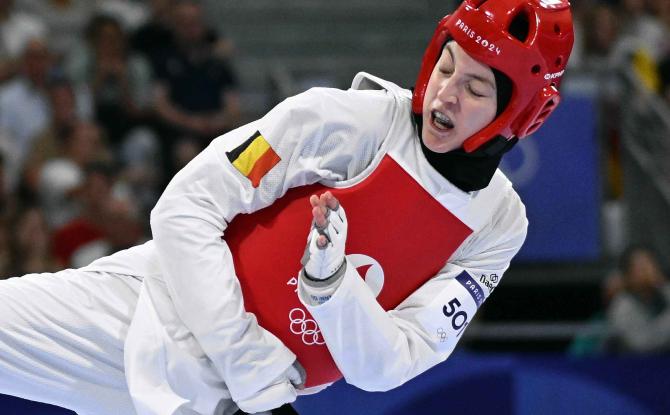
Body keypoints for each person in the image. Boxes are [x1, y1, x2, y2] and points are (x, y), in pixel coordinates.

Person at [0, 1, 575, 414]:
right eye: (447, 66)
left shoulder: (497, 226)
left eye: (477, 89)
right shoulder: (345, 121)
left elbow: (389, 365)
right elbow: (185, 208)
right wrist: (250, 368)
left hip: (246, 400)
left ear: (523, 113)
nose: (447, 93)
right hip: (141, 318)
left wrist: (330, 288)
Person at [606, 245, 670, 353]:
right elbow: (644, 345)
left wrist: (661, 284)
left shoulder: (664, 292)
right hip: (636, 366)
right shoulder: (622, 305)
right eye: (641, 267)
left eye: (651, 264)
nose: (648, 271)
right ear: (628, 276)